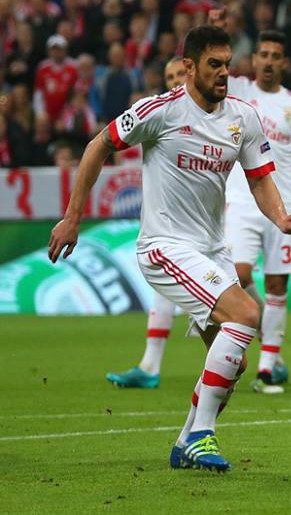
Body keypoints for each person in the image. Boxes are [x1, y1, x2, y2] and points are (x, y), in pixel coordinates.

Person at [49, 25, 291, 471]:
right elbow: (98, 146)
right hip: (164, 246)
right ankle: (203, 435)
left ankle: (184, 442)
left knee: (234, 362)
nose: (224, 73)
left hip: (213, 251)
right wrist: (73, 217)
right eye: (214, 64)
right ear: (189, 66)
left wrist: (281, 217)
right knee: (248, 314)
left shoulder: (243, 117)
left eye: (228, 64)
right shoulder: (160, 111)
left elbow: (260, 179)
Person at [223, 30, 291, 394]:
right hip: (241, 200)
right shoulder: (238, 91)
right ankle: (267, 333)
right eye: (262, 54)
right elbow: (200, 65)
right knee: (239, 273)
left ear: (284, 62)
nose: (267, 61)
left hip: (286, 204)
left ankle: (267, 366)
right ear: (254, 60)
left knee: (279, 282)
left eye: (274, 55)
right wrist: (213, 23)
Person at [106, 57, 189, 389]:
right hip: (172, 223)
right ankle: (150, 366)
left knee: (238, 288)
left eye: (180, 73)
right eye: (168, 76)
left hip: (213, 222)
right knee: (163, 291)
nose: (174, 81)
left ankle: (269, 350)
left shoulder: (219, 114)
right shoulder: (162, 114)